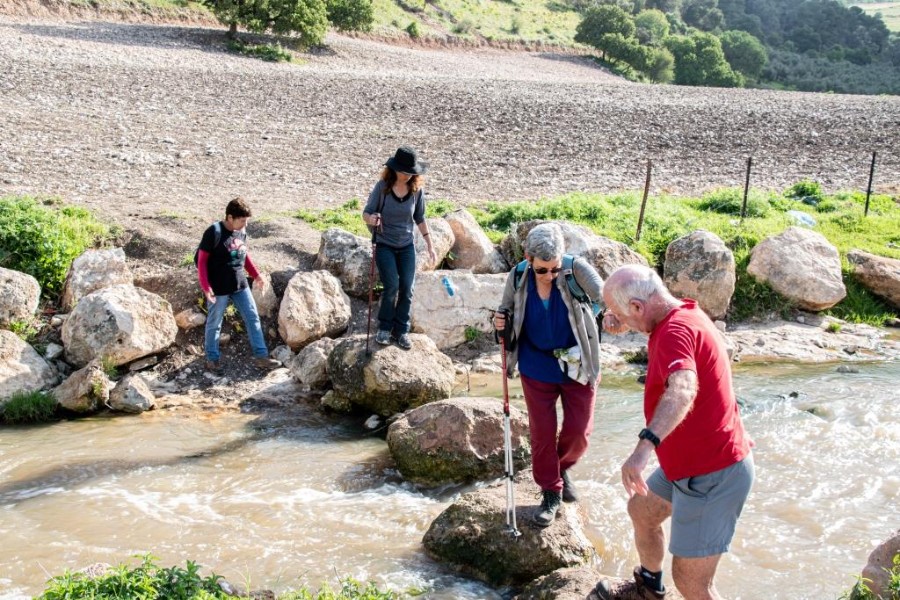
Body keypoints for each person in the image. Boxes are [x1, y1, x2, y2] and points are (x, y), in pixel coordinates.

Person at [594, 265, 754, 600]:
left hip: (713, 473)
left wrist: (642, 450)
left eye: (625, 312)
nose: (621, 319)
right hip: (687, 463)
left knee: (692, 583)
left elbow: (683, 389)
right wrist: (626, 319)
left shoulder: (672, 333)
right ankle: (649, 588)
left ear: (638, 306)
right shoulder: (682, 313)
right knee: (641, 510)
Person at [493, 222, 604, 528]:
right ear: (528, 259)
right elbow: (505, 311)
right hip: (535, 363)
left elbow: (605, 297)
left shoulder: (575, 270)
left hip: (577, 362)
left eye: (554, 269)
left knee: (579, 433)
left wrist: (588, 318)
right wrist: (499, 324)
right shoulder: (517, 276)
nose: (550, 276)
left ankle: (561, 466)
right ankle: (550, 493)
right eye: (542, 270)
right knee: (542, 433)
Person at [361, 146, 436, 350]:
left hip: (406, 246)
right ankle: (384, 328)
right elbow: (366, 213)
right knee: (392, 284)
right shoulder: (382, 188)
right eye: (405, 171)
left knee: (407, 288)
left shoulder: (416, 191)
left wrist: (430, 245)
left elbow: (419, 218)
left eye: (411, 172)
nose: (408, 175)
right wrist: (373, 219)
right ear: (394, 169)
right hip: (384, 244)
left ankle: (401, 330)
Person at [197, 197, 280, 374]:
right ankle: (212, 359)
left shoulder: (241, 231)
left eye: (246, 221)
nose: (245, 225)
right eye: (242, 220)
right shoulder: (214, 232)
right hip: (218, 288)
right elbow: (202, 262)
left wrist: (256, 275)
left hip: (240, 285)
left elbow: (243, 254)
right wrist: (206, 287)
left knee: (252, 318)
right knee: (214, 323)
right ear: (230, 217)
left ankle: (261, 357)